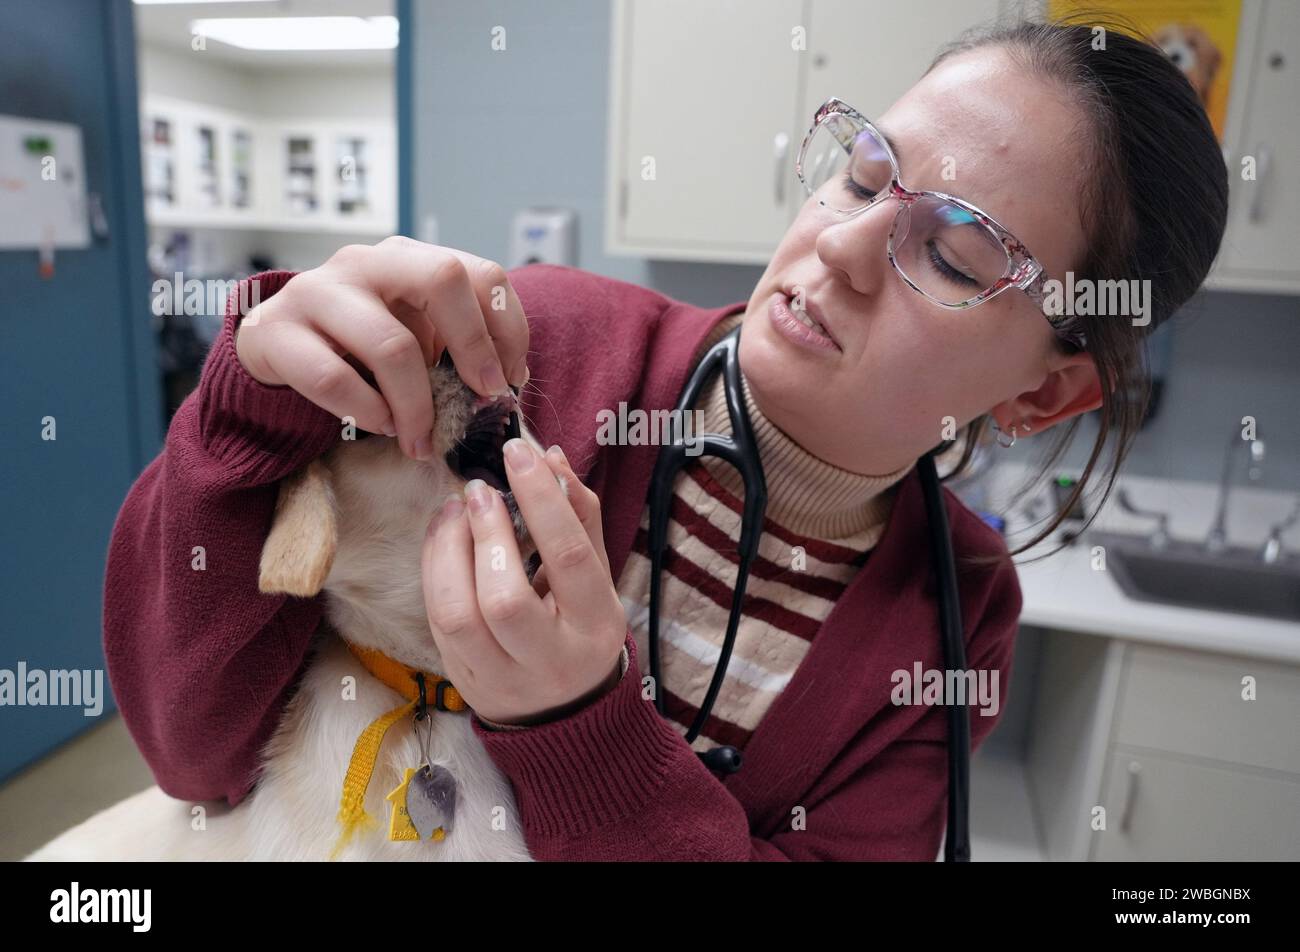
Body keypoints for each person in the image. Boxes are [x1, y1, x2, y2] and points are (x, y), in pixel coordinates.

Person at [102, 14, 1227, 860]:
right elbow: (187, 751)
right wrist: (244, 414)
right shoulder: (529, 347)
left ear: (1044, 396)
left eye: (954, 256)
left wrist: (579, 724)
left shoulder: (948, 634)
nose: (838, 246)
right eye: (863, 172)